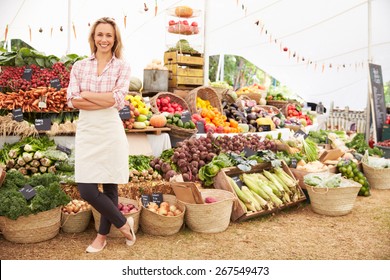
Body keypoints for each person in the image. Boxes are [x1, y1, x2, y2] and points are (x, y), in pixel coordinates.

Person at [66, 17, 135, 253]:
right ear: (93, 38)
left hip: (110, 129)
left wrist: (87, 94)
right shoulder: (79, 66)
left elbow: (117, 100)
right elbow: (72, 100)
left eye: (108, 35)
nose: (104, 39)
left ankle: (102, 236)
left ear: (115, 39)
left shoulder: (122, 66)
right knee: (86, 188)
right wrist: (100, 99)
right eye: (100, 35)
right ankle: (124, 223)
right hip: (87, 130)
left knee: (110, 185)